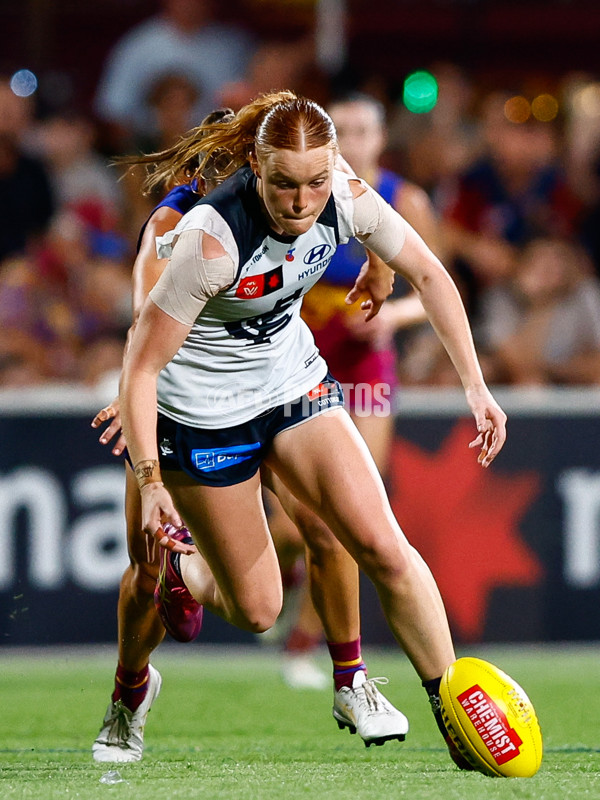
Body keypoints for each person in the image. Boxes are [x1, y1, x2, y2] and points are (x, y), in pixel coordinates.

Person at [116, 91, 506, 767]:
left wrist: (476, 386)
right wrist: (150, 482)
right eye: (285, 187)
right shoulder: (208, 240)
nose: (302, 204)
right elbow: (142, 366)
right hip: (208, 410)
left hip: (292, 382)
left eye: (316, 183)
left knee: (378, 542)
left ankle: (449, 702)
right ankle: (184, 572)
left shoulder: (347, 194)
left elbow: (433, 275)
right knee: (259, 608)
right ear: (256, 170)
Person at [92, 107, 408, 762]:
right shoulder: (178, 229)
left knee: (332, 523)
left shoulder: (290, 191)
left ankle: (350, 676)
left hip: (281, 393)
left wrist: (383, 263)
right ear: (197, 171)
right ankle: (129, 693)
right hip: (192, 413)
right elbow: (144, 342)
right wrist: (136, 405)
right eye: (219, 167)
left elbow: (360, 208)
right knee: (150, 570)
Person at [267, 92, 443, 687]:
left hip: (366, 368)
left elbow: (435, 288)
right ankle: (286, 573)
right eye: (343, 129)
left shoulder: (404, 198)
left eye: (365, 128)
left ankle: (304, 641)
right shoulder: (302, 195)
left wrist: (393, 317)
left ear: (381, 139)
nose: (355, 139)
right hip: (299, 364)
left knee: (352, 514)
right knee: (293, 528)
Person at [93, 0, 254, 153]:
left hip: (220, 149)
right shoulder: (138, 45)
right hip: (153, 150)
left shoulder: (233, 46)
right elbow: (115, 114)